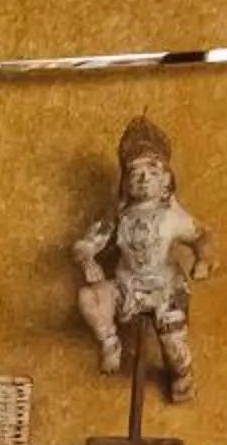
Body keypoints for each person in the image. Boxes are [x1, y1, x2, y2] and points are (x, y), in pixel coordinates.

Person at [72, 113, 216, 404]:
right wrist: (88, 260)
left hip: (165, 289)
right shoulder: (120, 217)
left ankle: (182, 376)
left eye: (152, 170)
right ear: (126, 182)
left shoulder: (172, 216)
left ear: (166, 180)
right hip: (126, 286)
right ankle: (110, 342)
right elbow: (86, 243)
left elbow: (203, 236)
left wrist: (202, 260)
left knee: (175, 350)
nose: (142, 177)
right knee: (89, 298)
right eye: (135, 171)